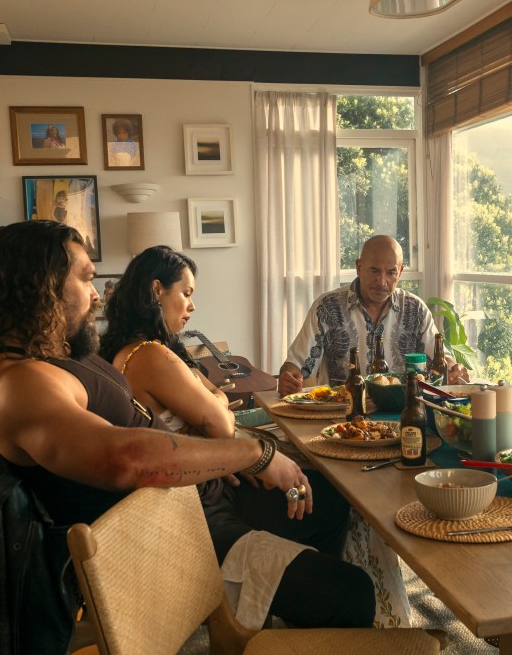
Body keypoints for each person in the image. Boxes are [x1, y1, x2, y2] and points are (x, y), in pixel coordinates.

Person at [0, 222, 374, 649]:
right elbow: (128, 457)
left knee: (330, 501)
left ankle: (287, 611)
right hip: (177, 538)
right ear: (39, 283)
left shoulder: (57, 357)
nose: (97, 294)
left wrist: (219, 457)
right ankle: (272, 613)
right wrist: (252, 454)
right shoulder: (18, 381)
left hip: (201, 502)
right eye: (85, 277)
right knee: (353, 594)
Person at [99, 245, 368, 629]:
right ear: (156, 290)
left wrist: (212, 407)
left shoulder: (135, 352)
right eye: (186, 293)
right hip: (207, 508)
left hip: (210, 488)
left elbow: (217, 402)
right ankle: (306, 603)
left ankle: (304, 606)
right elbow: (223, 424)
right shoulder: (150, 355)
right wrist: (214, 408)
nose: (192, 306)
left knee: (326, 499)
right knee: (353, 586)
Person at [278, 234, 468, 394]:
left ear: (400, 272)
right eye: (374, 270)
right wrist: (288, 378)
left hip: (404, 414)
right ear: (359, 267)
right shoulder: (327, 307)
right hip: (342, 417)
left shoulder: (415, 309)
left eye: (391, 272)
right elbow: (295, 364)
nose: (382, 281)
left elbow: (441, 359)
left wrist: (454, 369)